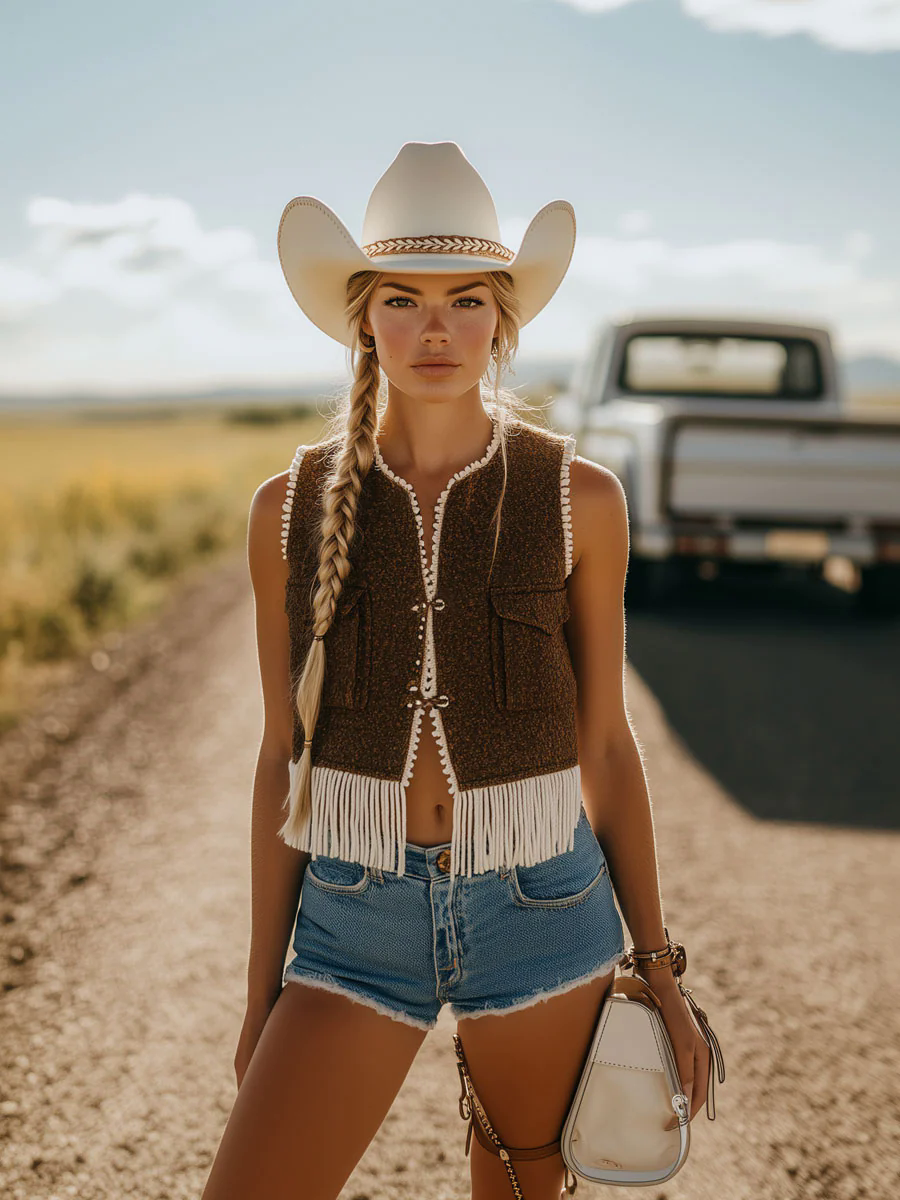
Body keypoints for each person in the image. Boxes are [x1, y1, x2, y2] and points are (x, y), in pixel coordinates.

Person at [201, 142, 711, 1200]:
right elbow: (276, 762)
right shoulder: (285, 512)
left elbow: (607, 747)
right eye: (403, 299)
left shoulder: (583, 500)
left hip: (539, 912)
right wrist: (260, 999)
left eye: (466, 301)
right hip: (353, 920)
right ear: (363, 319)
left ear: (502, 322)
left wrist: (657, 968)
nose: (436, 330)